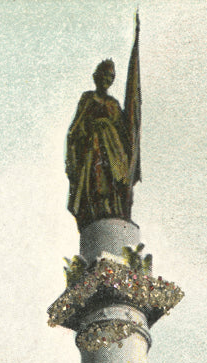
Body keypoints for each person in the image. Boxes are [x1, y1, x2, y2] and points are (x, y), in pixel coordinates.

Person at [65, 26, 141, 229]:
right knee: (96, 183)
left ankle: (114, 209)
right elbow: (76, 128)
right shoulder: (88, 98)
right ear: (96, 77)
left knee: (114, 182)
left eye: (111, 78)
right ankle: (98, 210)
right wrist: (90, 131)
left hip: (113, 151)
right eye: (104, 77)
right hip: (94, 149)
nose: (107, 81)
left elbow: (124, 132)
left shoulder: (114, 105)